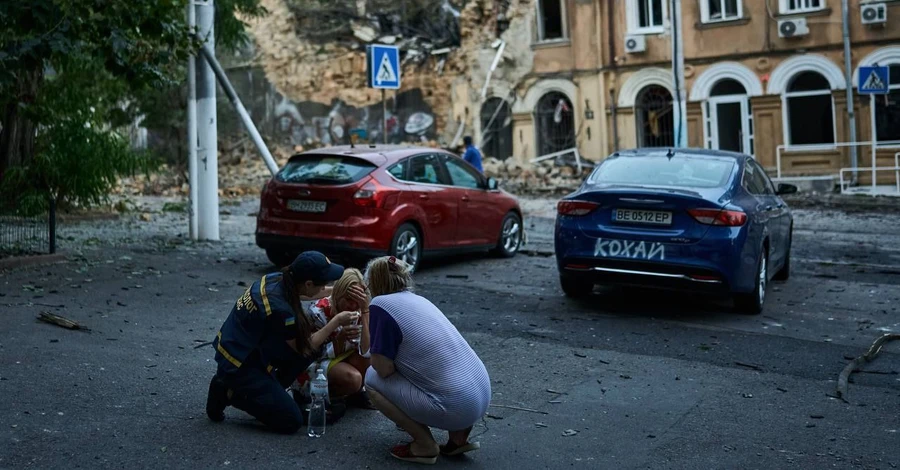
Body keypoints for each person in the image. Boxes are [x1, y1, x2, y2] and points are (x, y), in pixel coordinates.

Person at [205, 251, 361, 434]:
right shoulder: (281, 309)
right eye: (324, 284)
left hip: (243, 347)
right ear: (308, 283)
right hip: (239, 364)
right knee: (291, 421)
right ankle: (228, 392)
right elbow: (305, 346)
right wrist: (335, 323)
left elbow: (307, 294)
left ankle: (270, 393)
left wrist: (339, 290)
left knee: (306, 354)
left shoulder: (279, 279)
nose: (325, 288)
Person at [364, 256, 491, 464]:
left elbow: (383, 369)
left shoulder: (380, 305)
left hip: (457, 408)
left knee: (371, 378)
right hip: (481, 397)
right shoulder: (419, 300)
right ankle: (458, 439)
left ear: (374, 283)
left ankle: (424, 444)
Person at [293, 268, 375, 411]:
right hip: (317, 362)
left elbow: (367, 351)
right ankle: (321, 397)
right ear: (338, 295)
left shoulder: (360, 310)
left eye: (357, 301)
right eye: (349, 300)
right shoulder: (319, 312)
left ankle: (352, 394)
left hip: (341, 357)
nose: (353, 306)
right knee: (353, 379)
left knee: (370, 362)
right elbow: (311, 353)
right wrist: (339, 339)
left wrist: (366, 311)